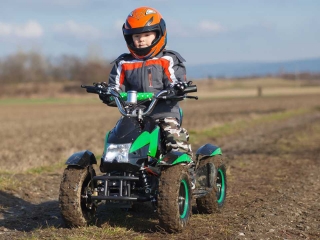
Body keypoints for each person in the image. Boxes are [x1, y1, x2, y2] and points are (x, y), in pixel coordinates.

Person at [101, 6, 192, 157]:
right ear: (129, 38)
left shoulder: (168, 59)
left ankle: (185, 171)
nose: (141, 40)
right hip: (133, 114)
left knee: (174, 139)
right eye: (136, 37)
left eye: (147, 34)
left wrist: (177, 88)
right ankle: (117, 171)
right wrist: (108, 93)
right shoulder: (123, 62)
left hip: (163, 112)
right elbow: (115, 87)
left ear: (158, 34)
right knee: (117, 139)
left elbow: (175, 80)